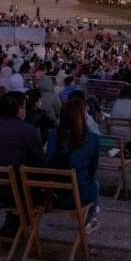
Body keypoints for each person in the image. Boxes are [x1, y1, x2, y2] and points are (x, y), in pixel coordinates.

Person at [0, 91, 44, 237]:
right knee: (29, 183)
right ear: (19, 110)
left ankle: (13, 226)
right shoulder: (28, 131)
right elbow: (38, 165)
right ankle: (17, 227)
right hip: (13, 194)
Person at [45, 99, 101, 232]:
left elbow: (48, 161)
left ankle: (91, 215)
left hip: (51, 195)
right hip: (75, 196)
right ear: (83, 116)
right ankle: (88, 219)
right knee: (95, 185)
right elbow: (93, 170)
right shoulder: (93, 139)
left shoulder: (53, 135)